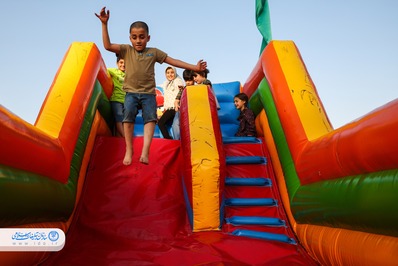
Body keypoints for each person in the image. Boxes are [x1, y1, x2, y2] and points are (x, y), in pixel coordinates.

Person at [95, 7, 207, 165]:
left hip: (148, 94)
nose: (138, 40)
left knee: (150, 120)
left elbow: (173, 61)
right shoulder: (126, 50)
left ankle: (145, 152)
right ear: (130, 38)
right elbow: (107, 46)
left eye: (141, 37)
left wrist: (194, 68)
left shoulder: (153, 52)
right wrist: (104, 24)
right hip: (131, 93)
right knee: (127, 120)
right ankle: (129, 149)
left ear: (148, 37)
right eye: (134, 37)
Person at [157, 66, 184, 139]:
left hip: (174, 107)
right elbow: (167, 99)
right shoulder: (167, 84)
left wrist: (177, 102)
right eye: (168, 73)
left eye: (172, 72)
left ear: (175, 73)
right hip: (169, 108)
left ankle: (169, 139)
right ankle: (170, 138)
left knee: (161, 123)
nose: (170, 74)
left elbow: (181, 90)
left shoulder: (177, 81)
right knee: (164, 123)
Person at [172, 69, 195, 140]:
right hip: (182, 110)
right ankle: (177, 141)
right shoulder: (183, 89)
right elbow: (176, 100)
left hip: (193, 110)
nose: (188, 82)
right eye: (186, 80)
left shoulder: (196, 89)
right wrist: (176, 105)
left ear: (194, 79)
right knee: (175, 124)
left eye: (190, 80)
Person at [107, 54, 126, 137]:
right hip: (116, 100)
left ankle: (120, 141)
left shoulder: (128, 75)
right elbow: (103, 70)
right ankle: (126, 138)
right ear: (117, 63)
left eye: (125, 63)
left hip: (126, 101)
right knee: (119, 119)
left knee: (124, 121)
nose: (123, 65)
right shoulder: (113, 71)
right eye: (121, 63)